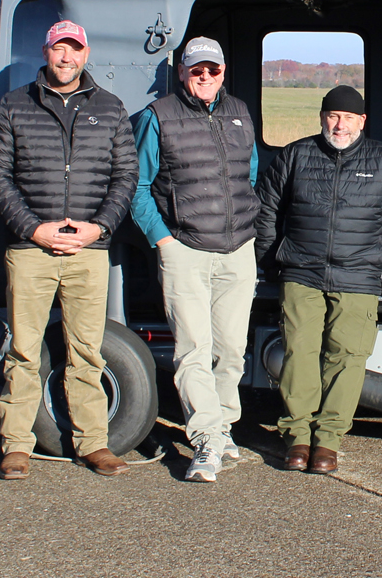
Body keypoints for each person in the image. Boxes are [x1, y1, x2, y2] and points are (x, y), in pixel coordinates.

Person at [0, 20, 138, 480]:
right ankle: (15, 445)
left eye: (74, 49)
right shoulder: (14, 106)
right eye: (58, 49)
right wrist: (33, 229)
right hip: (31, 250)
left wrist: (99, 227)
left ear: (85, 55)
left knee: (86, 350)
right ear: (45, 52)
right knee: (24, 351)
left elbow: (125, 175)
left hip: (88, 250)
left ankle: (93, 443)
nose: (66, 58)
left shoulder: (110, 108)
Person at [255, 85, 382, 475]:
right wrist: (270, 261)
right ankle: (297, 437)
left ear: (362, 121)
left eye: (348, 117)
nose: (339, 124)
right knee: (299, 352)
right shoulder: (296, 155)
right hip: (302, 273)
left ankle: (328, 441)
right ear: (321, 117)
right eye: (332, 116)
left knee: (347, 358)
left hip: (358, 276)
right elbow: (265, 210)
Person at [130, 36, 260, 483]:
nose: (205, 77)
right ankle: (205, 439)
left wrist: (248, 228)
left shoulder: (240, 112)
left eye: (213, 70)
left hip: (237, 250)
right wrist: (163, 240)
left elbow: (249, 175)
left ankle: (222, 428)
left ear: (223, 73)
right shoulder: (158, 116)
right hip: (185, 249)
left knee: (232, 351)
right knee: (193, 351)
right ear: (182, 72)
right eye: (196, 70)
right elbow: (138, 185)